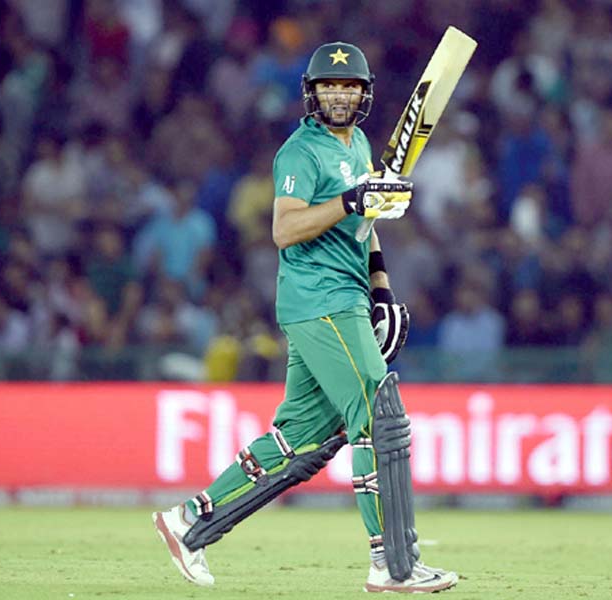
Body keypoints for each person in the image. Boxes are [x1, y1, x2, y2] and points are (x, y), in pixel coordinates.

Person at [152, 42, 458, 593]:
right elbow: (285, 230)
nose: (339, 95)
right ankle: (390, 563)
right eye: (328, 86)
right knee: (376, 414)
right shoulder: (300, 152)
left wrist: (383, 289)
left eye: (349, 87)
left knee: (301, 436)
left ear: (364, 95)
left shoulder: (360, 142)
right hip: (321, 300)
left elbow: (368, 226)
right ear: (312, 93)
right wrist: (349, 200)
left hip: (346, 299)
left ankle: (188, 521)